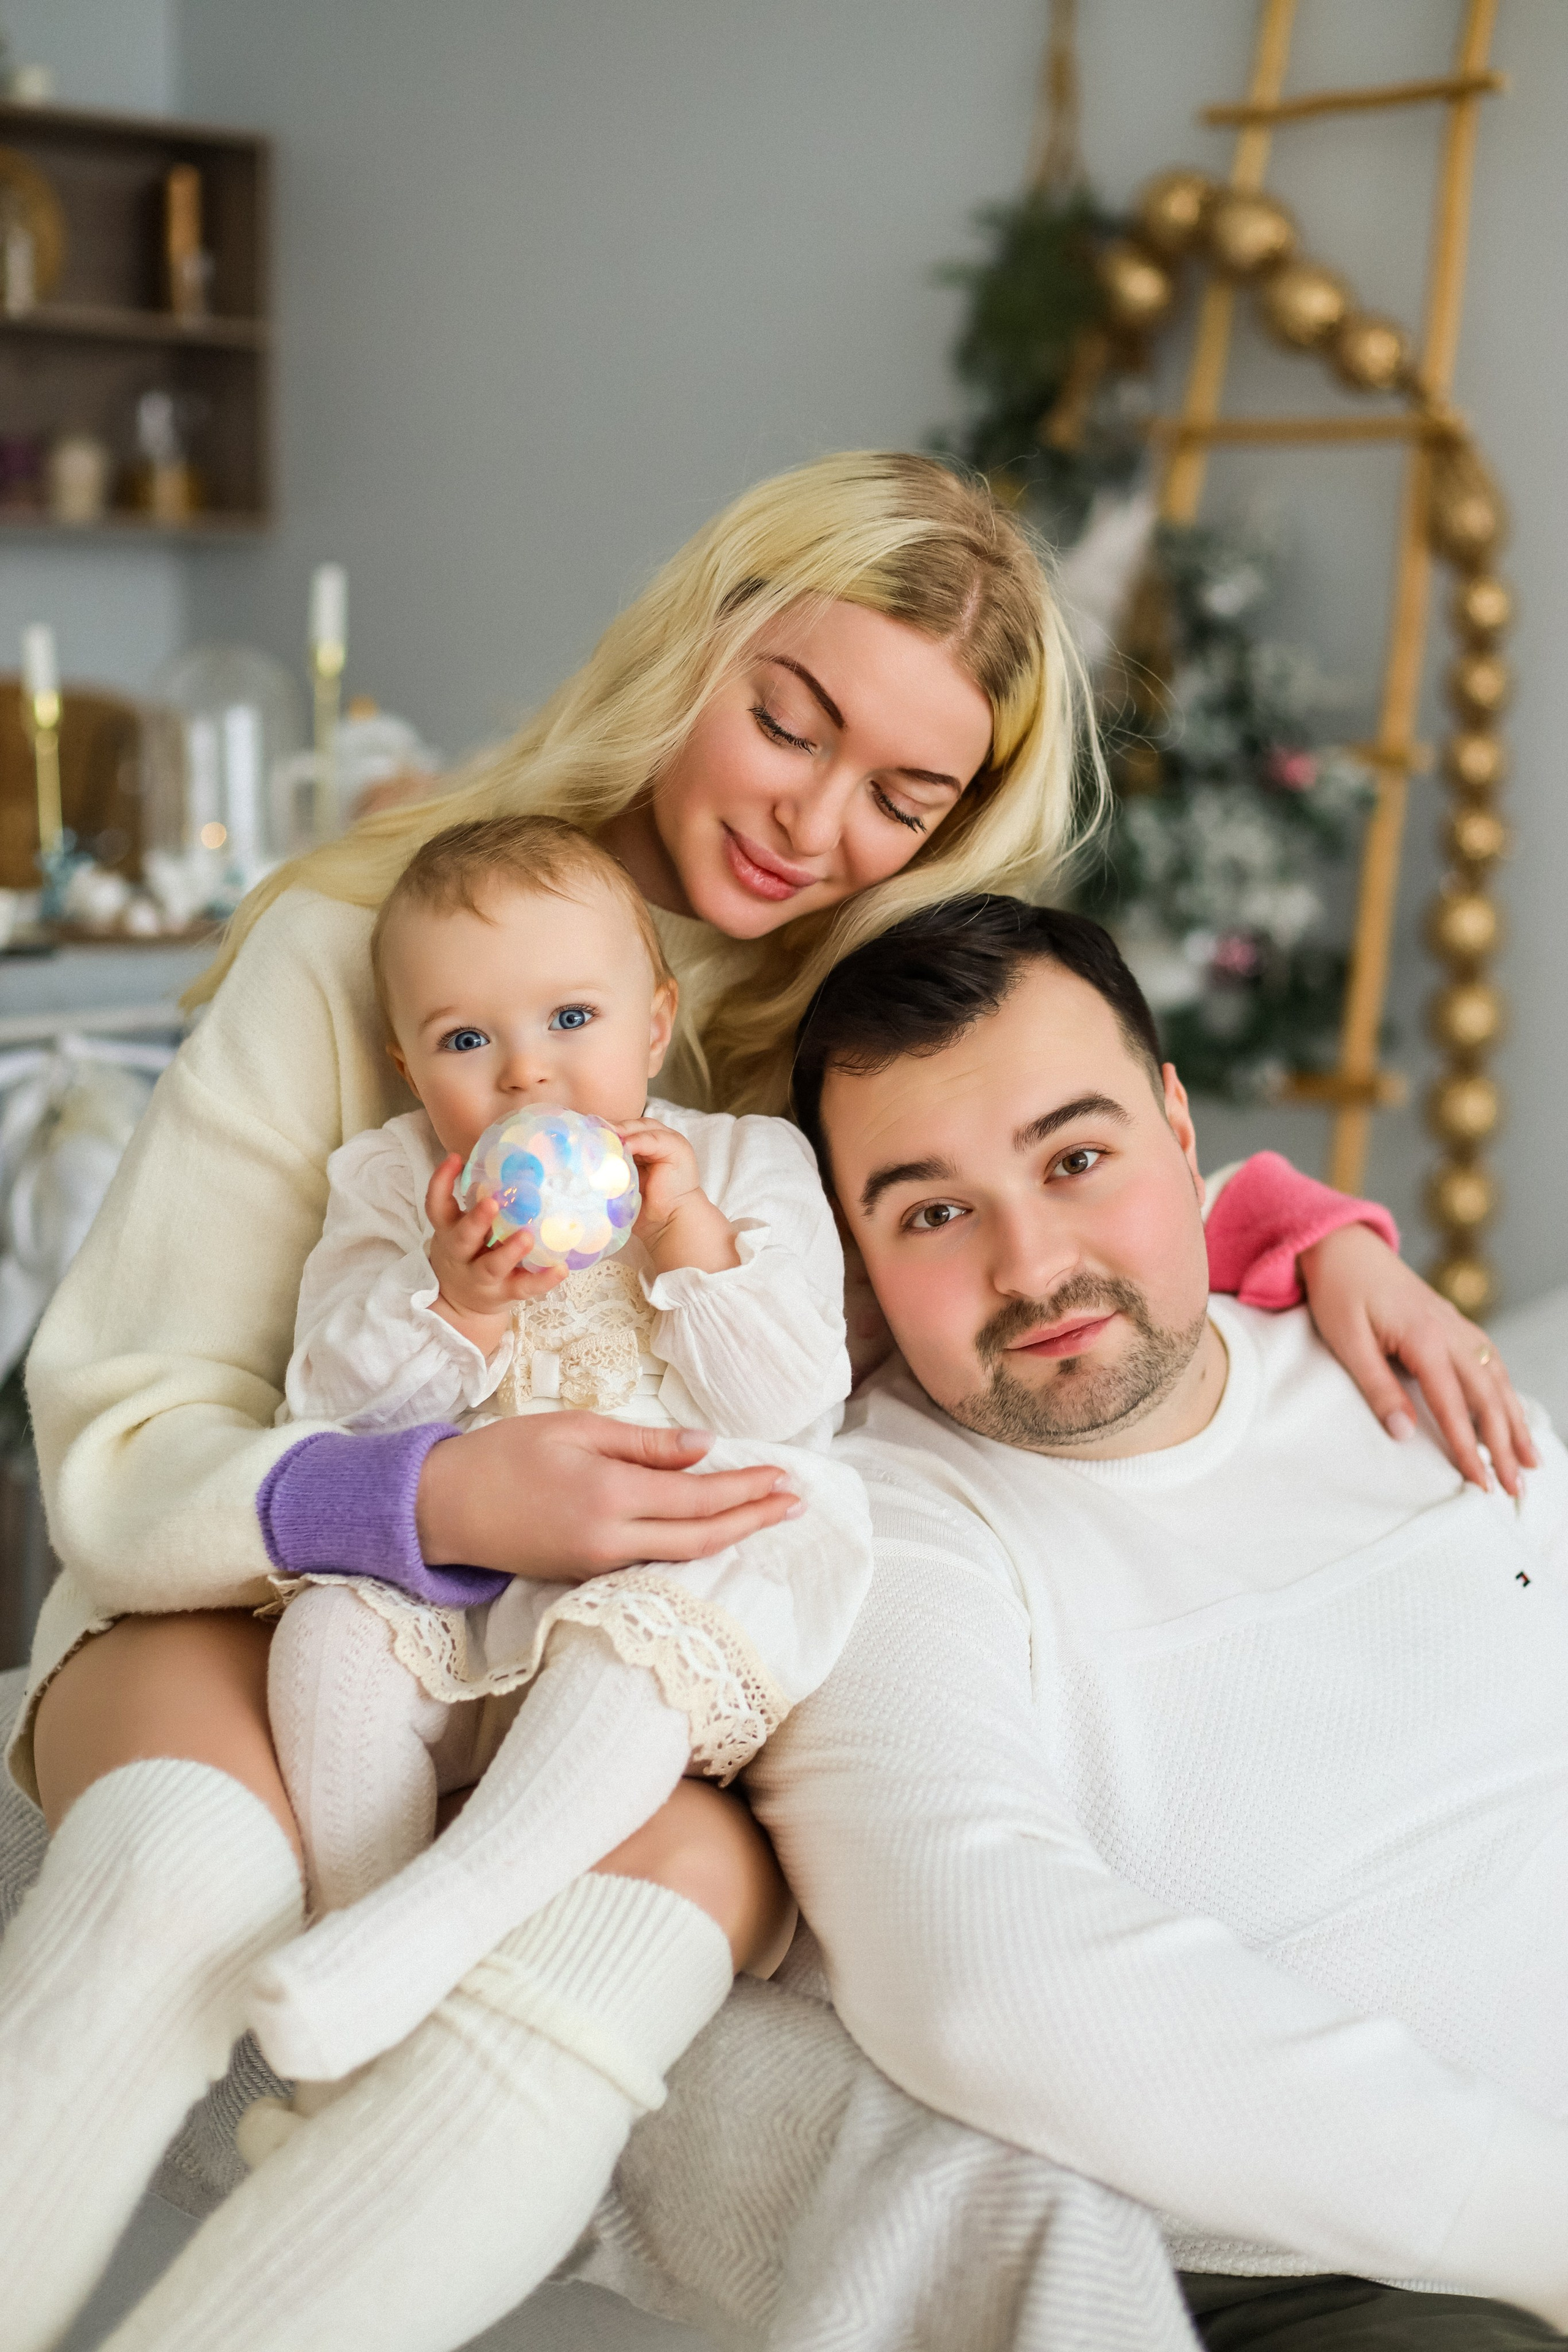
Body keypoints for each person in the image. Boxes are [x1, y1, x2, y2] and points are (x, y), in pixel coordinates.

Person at [0, 453, 1517, 2352]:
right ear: (696, 651)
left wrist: (1308, 1234)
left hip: (621, 1652)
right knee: (185, 1874)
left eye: (905, 795)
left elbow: (1035, 1204)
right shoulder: (364, 949)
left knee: (652, 1930)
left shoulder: (841, 1013)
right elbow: (122, 1425)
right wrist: (437, 1499)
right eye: (790, 725)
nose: (817, 821)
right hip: (276, 1592)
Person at [745, 894, 1568, 2348]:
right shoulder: (880, 1534)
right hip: (1346, 2285)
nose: (1028, 1265)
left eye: (1075, 1159)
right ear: (856, 1258)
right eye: (932, 1212)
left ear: (1181, 1134)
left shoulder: (1403, 1374)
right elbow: (981, 1978)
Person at [251, 810, 869, 2097]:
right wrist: (456, 1300)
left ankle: (436, 1924)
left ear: (655, 1024)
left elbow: (792, 1400)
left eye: (573, 1020)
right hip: (471, 1589)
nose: (527, 1075)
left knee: (647, 1625)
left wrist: (684, 1233)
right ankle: (357, 1976)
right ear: (408, 1064)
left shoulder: (746, 1162)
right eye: (465, 1041)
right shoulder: (394, 1186)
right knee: (325, 1639)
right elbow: (330, 1408)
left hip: (681, 1567)